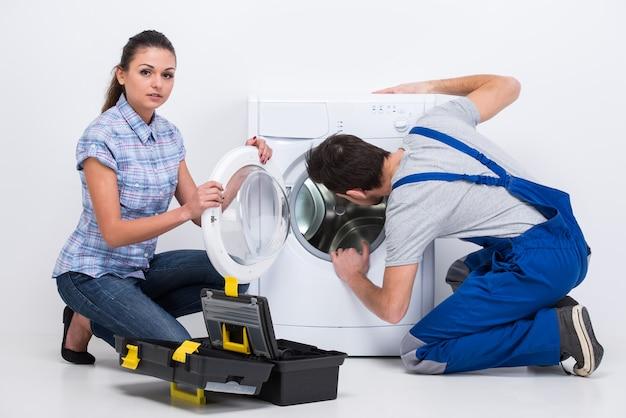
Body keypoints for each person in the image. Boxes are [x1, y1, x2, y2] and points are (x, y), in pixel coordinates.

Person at [306, 74, 603, 376]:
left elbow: (392, 309)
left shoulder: (407, 207)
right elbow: (508, 85)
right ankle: (552, 311)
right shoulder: (431, 124)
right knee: (462, 274)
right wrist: (425, 88)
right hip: (570, 242)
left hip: (542, 264)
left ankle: (559, 335)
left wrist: (354, 276)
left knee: (417, 352)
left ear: (354, 193)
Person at [53, 30, 272, 365]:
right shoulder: (101, 137)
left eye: (167, 75)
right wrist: (186, 210)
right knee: (182, 349)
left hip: (138, 269)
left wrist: (246, 164)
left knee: (234, 275)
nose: (157, 83)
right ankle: (94, 311)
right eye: (146, 72)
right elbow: (113, 233)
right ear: (122, 74)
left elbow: (202, 214)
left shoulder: (169, 135)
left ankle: (98, 317)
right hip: (90, 273)